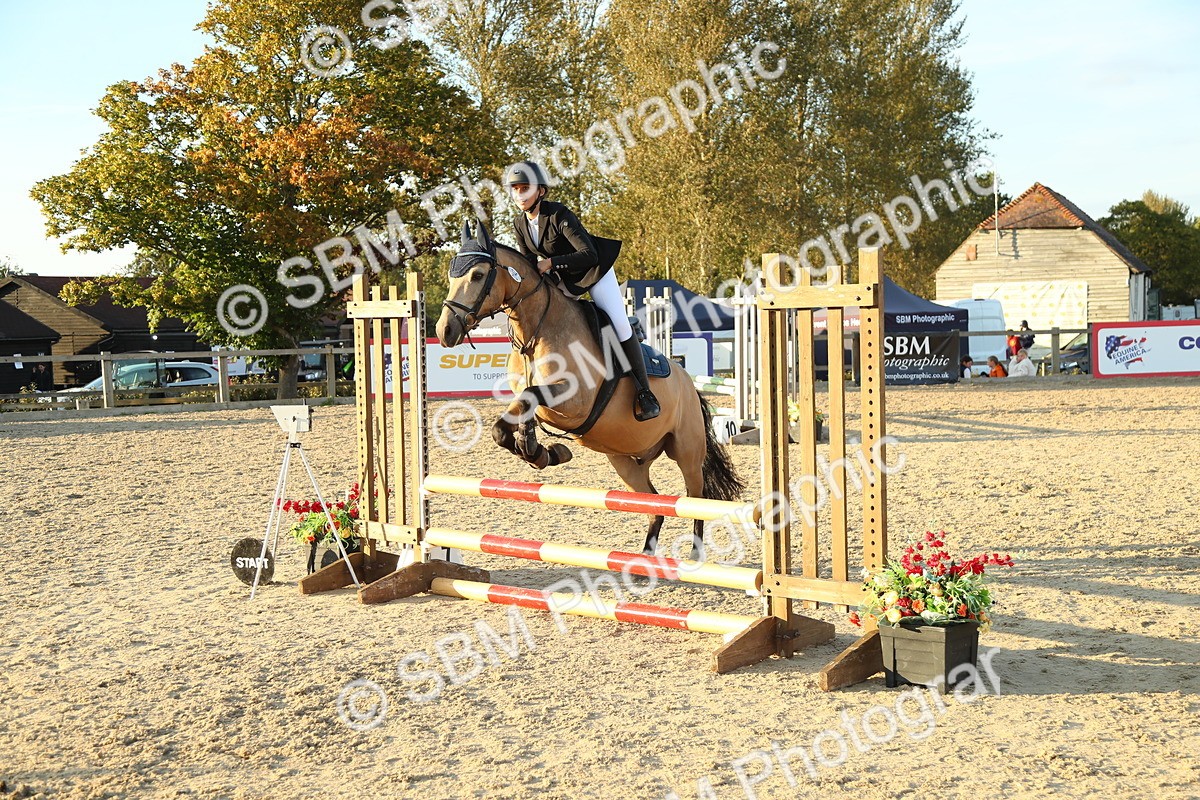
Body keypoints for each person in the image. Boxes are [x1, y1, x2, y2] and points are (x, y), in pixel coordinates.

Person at [505, 160, 660, 421]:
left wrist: (551, 263)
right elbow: (529, 264)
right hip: (564, 278)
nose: (519, 194)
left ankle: (645, 393)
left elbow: (588, 253)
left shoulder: (558, 214)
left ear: (540, 191)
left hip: (594, 272)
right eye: (516, 189)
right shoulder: (519, 223)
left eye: (525, 188)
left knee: (619, 324)